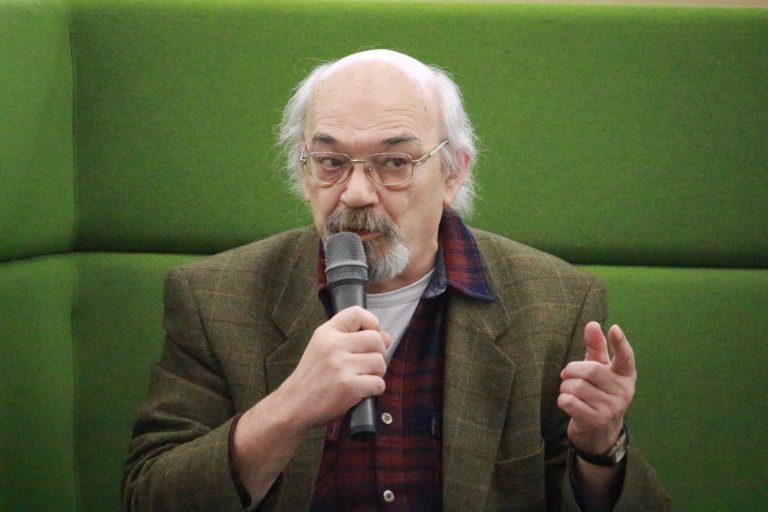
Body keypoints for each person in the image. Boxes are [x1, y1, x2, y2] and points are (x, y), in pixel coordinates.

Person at [123, 49, 670, 511]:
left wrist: (602, 449)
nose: (357, 193)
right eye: (330, 162)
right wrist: (286, 410)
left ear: (453, 172)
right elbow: (149, 497)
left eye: (394, 163)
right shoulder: (216, 298)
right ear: (303, 172)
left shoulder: (554, 305)